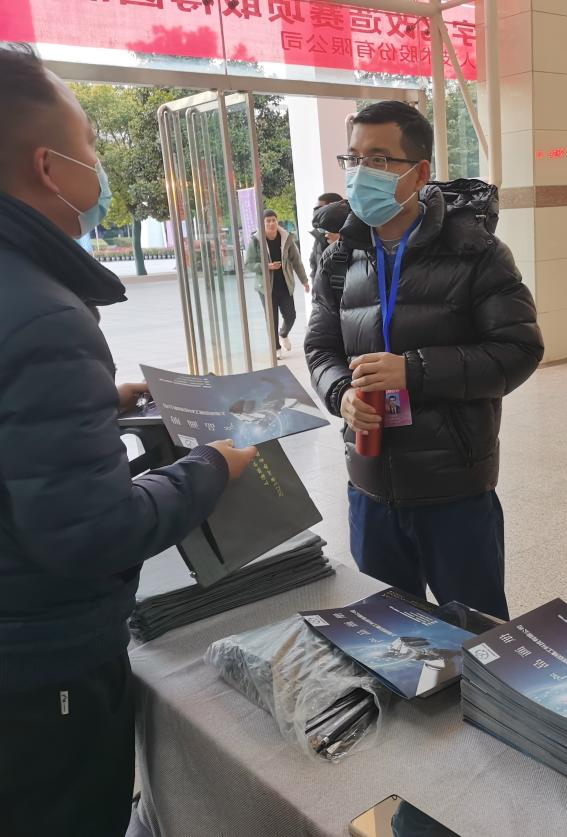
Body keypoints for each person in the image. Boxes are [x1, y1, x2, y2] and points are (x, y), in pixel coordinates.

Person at [0, 46, 256, 837]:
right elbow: (94, 530)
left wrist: (88, 405)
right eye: (90, 140)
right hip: (39, 667)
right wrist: (214, 463)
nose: (100, 163)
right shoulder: (44, 314)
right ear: (50, 166)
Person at [305, 101, 543, 620]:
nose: (360, 172)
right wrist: (340, 393)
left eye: (379, 159)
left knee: (477, 636)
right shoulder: (341, 256)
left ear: (419, 173)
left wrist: (413, 371)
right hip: (369, 483)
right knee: (389, 635)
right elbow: (320, 348)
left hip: (453, 489)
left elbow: (519, 350)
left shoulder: (476, 252)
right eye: (353, 158)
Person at [245, 209, 309, 354]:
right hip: (266, 288)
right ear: (262, 223)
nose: (271, 223)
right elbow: (248, 264)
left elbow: (296, 261)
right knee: (271, 319)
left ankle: (283, 334)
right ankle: (276, 348)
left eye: (273, 220)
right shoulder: (256, 241)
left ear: (277, 221)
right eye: (268, 221)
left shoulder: (286, 238)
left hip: (285, 285)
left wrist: (304, 280)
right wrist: (266, 266)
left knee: (291, 315)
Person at [309, 191, 343, 280]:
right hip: (322, 286)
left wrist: (341, 242)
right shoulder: (319, 235)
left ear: (333, 209)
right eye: (315, 209)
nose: (316, 212)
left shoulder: (352, 234)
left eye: (319, 209)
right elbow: (314, 264)